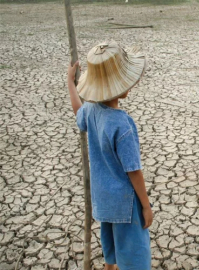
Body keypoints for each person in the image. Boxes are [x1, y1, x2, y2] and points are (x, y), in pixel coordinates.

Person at [67, 40, 153, 270]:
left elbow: (79, 111)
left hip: (103, 200)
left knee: (111, 247)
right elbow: (133, 170)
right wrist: (145, 205)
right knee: (134, 255)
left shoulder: (92, 111)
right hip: (125, 204)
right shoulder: (122, 124)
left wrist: (70, 84)